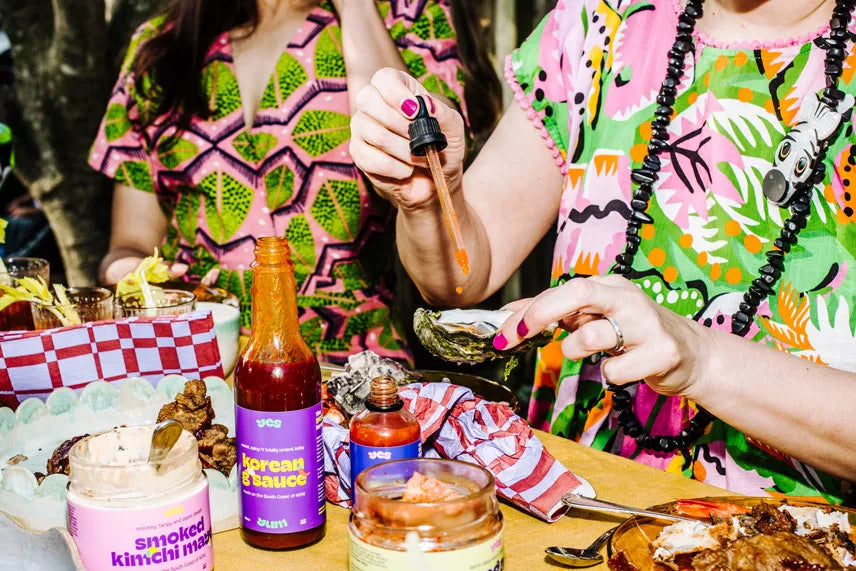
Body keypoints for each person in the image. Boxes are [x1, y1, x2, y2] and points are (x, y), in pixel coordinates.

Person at [350, 0, 856, 503]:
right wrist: (429, 200)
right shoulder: (603, 22)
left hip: (795, 543)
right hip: (580, 517)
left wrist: (699, 359)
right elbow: (461, 278)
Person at [89, 0, 500, 364]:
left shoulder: (408, 17)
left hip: (352, 371)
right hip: (199, 363)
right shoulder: (162, 45)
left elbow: (411, 171)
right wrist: (139, 276)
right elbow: (129, 244)